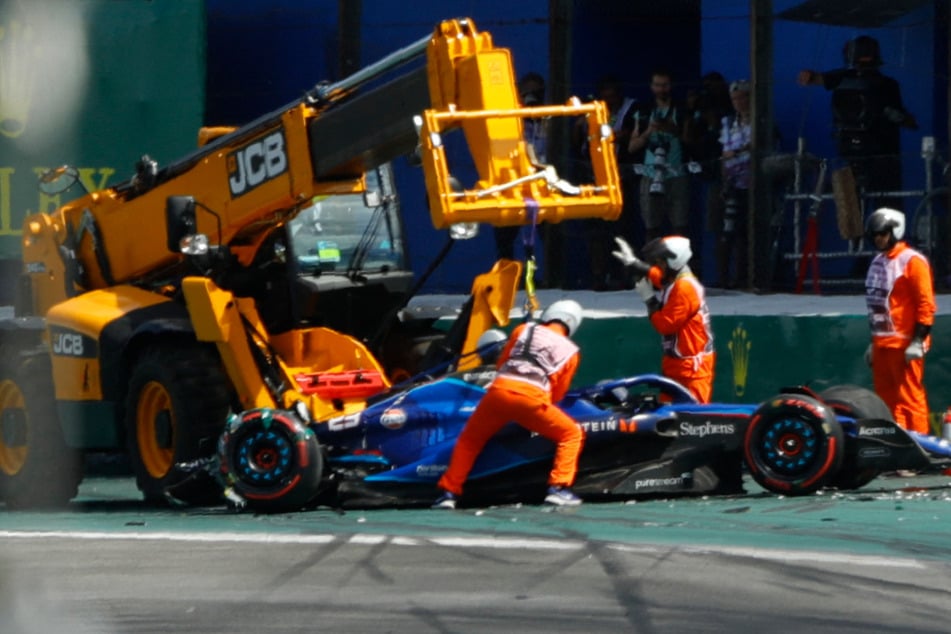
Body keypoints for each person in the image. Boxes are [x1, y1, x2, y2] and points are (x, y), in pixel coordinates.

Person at [433, 300, 586, 509]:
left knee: (470, 440)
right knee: (571, 434)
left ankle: (449, 493)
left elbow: (501, 363)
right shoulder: (571, 352)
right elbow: (557, 393)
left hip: (499, 392)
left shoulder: (523, 329)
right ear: (573, 323)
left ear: (549, 314)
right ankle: (558, 488)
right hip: (532, 398)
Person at [797, 35, 918, 210]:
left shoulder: (846, 79)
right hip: (873, 157)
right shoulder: (884, 84)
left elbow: (816, 78)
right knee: (879, 211)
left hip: (862, 154)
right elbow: (817, 78)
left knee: (868, 210)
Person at [612, 235, 715, 402]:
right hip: (676, 365)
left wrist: (649, 299)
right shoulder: (675, 280)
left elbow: (665, 325)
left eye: (661, 262)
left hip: (691, 370)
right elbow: (656, 276)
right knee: (668, 418)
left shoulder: (685, 287)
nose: (658, 265)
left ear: (674, 262)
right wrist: (634, 264)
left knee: (693, 419)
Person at [864, 207, 935, 435]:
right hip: (883, 343)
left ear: (895, 231)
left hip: (905, 343)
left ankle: (919, 448)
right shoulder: (877, 262)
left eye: (883, 233)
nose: (879, 239)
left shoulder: (912, 261)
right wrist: (873, 342)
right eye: (875, 235)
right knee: (886, 399)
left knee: (909, 397)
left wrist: (918, 339)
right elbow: (876, 304)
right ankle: (896, 448)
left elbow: (926, 304)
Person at [573, 74, 639, 290]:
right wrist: (580, 126)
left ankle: (625, 275)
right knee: (595, 232)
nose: (609, 101)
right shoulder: (592, 110)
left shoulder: (631, 109)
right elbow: (577, 142)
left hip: (621, 177)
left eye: (613, 97)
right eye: (605, 97)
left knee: (621, 230)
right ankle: (598, 276)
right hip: (591, 176)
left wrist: (606, 134)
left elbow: (626, 135)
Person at [628, 68, 691, 243]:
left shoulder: (681, 109)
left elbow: (689, 140)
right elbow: (632, 147)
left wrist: (672, 129)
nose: (661, 89)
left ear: (671, 86)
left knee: (680, 227)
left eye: (665, 85)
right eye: (657, 85)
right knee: (651, 227)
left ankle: (678, 268)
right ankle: (653, 267)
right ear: (651, 86)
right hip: (650, 173)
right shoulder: (643, 110)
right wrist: (649, 131)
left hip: (676, 174)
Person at [494, 72, 550, 261]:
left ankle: (553, 275)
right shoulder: (510, 117)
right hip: (517, 180)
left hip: (545, 181)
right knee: (505, 232)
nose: (531, 97)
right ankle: (509, 273)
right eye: (527, 93)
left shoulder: (551, 117)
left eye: (535, 92)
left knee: (549, 231)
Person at [715, 79, 753, 289]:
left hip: (752, 185)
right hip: (731, 182)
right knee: (726, 231)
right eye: (735, 98)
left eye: (743, 97)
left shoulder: (759, 122)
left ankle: (743, 278)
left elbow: (755, 146)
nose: (739, 102)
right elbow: (724, 154)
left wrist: (738, 152)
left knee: (745, 233)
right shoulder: (728, 123)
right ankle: (723, 279)